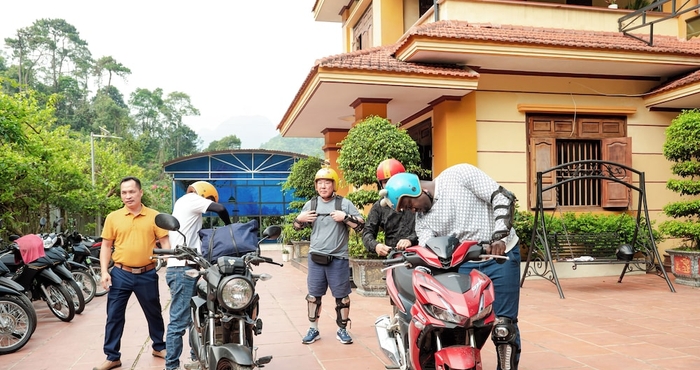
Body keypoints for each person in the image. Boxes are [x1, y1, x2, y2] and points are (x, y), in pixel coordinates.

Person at [381, 164, 521, 370]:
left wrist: (499, 235)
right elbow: (429, 247)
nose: (412, 210)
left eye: (409, 203)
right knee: (459, 323)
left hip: (500, 256)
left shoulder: (459, 174)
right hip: (464, 265)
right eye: (407, 209)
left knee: (504, 328)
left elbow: (501, 197)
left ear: (417, 189)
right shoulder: (422, 222)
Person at [94, 176, 170, 370]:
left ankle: (158, 347)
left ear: (140, 192)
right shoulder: (113, 217)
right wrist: (104, 271)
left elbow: (165, 242)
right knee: (114, 315)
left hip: (147, 273)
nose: (128, 196)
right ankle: (112, 356)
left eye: (131, 192)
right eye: (124, 193)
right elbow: (106, 246)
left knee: (153, 312)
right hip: (121, 273)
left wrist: (171, 263)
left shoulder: (155, 216)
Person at [292, 167, 364, 345]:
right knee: (313, 297)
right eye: (320, 183)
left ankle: (342, 330)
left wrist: (345, 217)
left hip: (338, 258)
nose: (323, 186)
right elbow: (296, 226)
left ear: (334, 185)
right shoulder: (312, 204)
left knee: (342, 297)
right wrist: (300, 219)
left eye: (327, 182)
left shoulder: (344, 203)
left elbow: (361, 225)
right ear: (316, 186)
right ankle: (313, 329)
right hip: (316, 257)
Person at [165, 181, 232, 370]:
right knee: (179, 321)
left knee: (197, 314)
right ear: (205, 195)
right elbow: (220, 209)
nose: (207, 206)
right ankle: (171, 367)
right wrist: (229, 228)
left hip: (188, 268)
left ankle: (196, 357)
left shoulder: (182, 203)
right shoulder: (191, 199)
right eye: (208, 200)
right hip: (182, 269)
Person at [362, 159, 417, 256]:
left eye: (393, 180)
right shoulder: (380, 206)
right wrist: (376, 246)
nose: (389, 185)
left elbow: (430, 227)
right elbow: (367, 232)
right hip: (394, 256)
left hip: (418, 255)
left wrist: (410, 240)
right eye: (385, 182)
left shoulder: (416, 200)